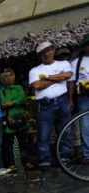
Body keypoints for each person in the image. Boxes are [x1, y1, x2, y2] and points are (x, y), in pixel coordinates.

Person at [29, 41, 74, 170]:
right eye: (43, 53)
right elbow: (36, 85)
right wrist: (57, 77)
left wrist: (46, 78)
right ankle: (44, 161)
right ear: (39, 56)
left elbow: (68, 75)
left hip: (62, 101)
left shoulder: (64, 63)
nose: (46, 54)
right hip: (44, 104)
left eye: (49, 50)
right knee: (44, 134)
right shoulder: (35, 70)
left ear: (54, 50)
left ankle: (64, 157)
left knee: (65, 131)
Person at [0, 68, 29, 173]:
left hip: (20, 118)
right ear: (2, 78)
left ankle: (26, 161)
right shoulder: (1, 90)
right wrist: (16, 102)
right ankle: (10, 163)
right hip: (8, 119)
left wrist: (11, 103)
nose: (8, 78)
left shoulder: (19, 87)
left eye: (10, 75)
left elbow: (22, 98)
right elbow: (3, 103)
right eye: (5, 76)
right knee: (8, 144)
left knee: (23, 143)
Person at [69, 34, 89, 164]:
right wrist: (70, 98)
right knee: (85, 125)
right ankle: (87, 154)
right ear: (83, 47)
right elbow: (71, 82)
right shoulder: (76, 62)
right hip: (83, 95)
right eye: (87, 45)